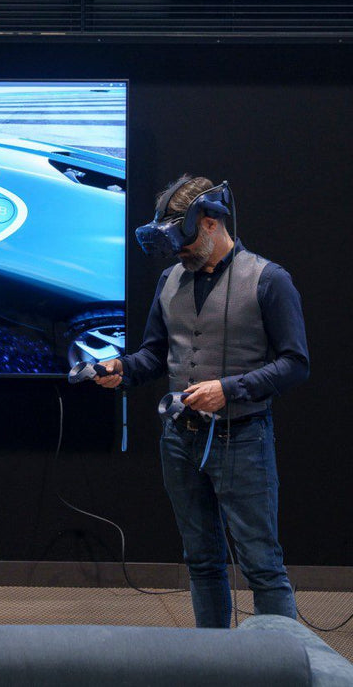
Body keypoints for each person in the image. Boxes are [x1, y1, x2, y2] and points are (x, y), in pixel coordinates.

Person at [94, 175, 309, 628]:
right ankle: (215, 663)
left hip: (243, 439)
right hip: (179, 441)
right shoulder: (170, 280)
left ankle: (281, 668)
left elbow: (295, 364)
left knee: (262, 566)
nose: (179, 253)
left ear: (211, 224)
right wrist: (123, 370)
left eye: (185, 241)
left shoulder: (270, 281)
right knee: (201, 561)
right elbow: (155, 353)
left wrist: (228, 390)